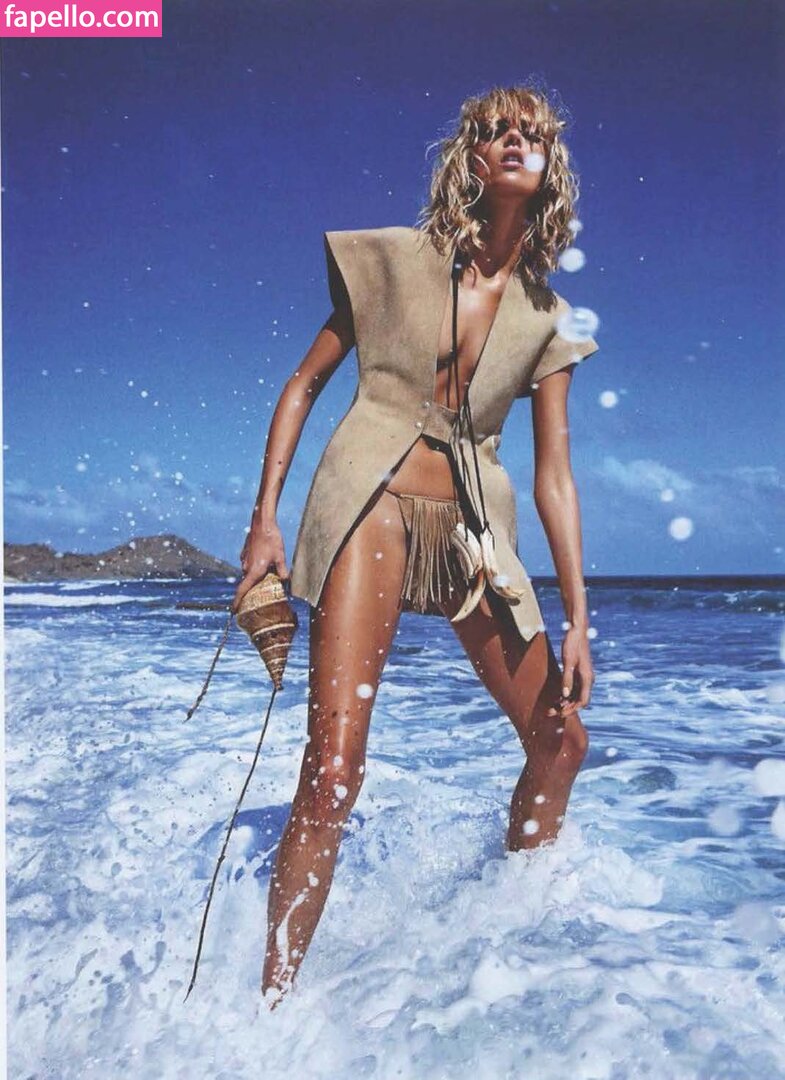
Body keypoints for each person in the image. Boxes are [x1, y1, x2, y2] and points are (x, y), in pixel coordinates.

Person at [232, 84, 600, 1010]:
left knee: (559, 741)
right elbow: (303, 384)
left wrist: (577, 619)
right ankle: (268, 1009)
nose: (514, 142)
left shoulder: (549, 316)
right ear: (470, 157)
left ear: (549, 163)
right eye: (496, 132)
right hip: (371, 501)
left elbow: (555, 477)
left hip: (475, 522)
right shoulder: (397, 260)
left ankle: (502, 928)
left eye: (531, 135)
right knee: (334, 770)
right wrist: (265, 520)